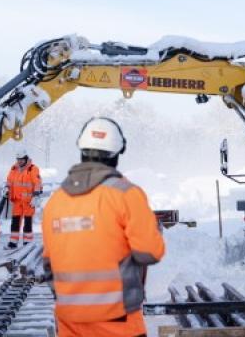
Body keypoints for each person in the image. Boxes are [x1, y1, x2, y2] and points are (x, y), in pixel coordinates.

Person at [42, 117, 165, 337]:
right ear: (117, 153)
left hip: (70, 323)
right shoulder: (126, 194)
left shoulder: (55, 202)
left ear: (82, 150)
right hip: (118, 322)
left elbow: (49, 265)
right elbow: (150, 252)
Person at [5, 148, 42, 248]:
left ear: (26, 159)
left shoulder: (33, 169)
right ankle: (13, 242)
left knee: (28, 221)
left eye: (21, 159)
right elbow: (9, 180)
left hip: (29, 201)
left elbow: (37, 183)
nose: (19, 161)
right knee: (15, 222)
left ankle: (27, 242)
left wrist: (36, 195)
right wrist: (6, 188)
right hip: (17, 200)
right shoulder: (14, 169)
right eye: (18, 159)